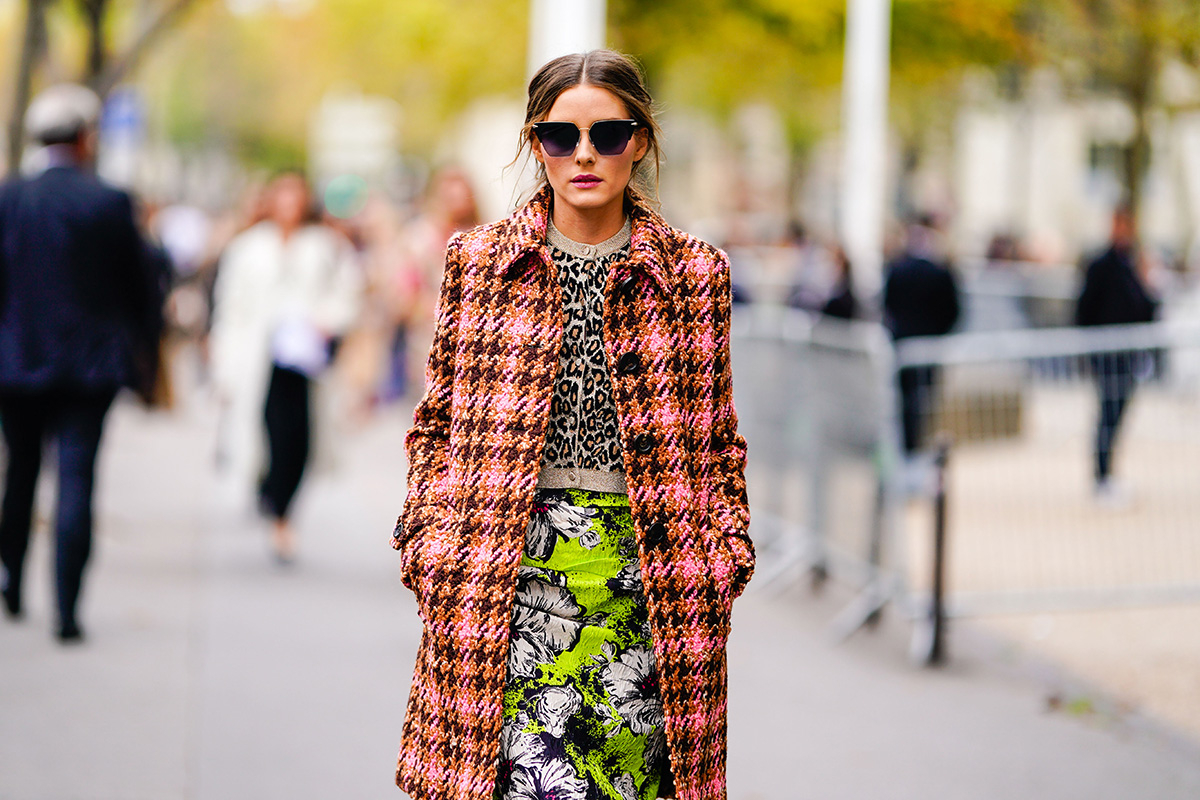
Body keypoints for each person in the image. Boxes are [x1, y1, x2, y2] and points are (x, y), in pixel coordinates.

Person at [390, 50, 754, 800]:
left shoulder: (695, 274)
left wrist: (724, 557)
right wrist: (430, 547)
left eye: (608, 134)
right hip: (502, 580)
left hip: (650, 585)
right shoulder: (479, 262)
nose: (584, 154)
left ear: (640, 142)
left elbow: (719, 440)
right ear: (536, 144)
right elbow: (436, 422)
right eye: (560, 137)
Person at [0, 84, 163, 642]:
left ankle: (12, 580)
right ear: (85, 137)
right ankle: (67, 611)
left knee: (19, 472)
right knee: (76, 480)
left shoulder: (9, 197)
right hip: (90, 367)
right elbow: (141, 287)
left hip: (16, 362)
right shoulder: (109, 201)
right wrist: (146, 355)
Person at [209, 172, 362, 562]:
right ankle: (274, 506)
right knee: (267, 435)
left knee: (300, 442)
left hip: (304, 363)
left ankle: (282, 507)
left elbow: (347, 294)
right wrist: (224, 361)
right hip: (257, 361)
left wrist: (325, 321)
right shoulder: (247, 248)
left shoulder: (326, 247)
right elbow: (230, 307)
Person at [1075, 206, 1158, 503]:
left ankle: (1108, 474)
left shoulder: (1131, 265)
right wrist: (1087, 352)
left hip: (1127, 355)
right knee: (1107, 416)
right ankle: (1100, 477)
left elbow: (1147, 309)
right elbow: (1084, 309)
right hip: (1106, 354)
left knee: (1117, 415)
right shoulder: (1101, 265)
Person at [882, 214, 961, 454]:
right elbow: (953, 311)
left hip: (905, 344)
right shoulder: (939, 271)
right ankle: (914, 445)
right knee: (924, 400)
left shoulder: (898, 269)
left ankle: (909, 445)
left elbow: (888, 305)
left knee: (906, 399)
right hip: (927, 346)